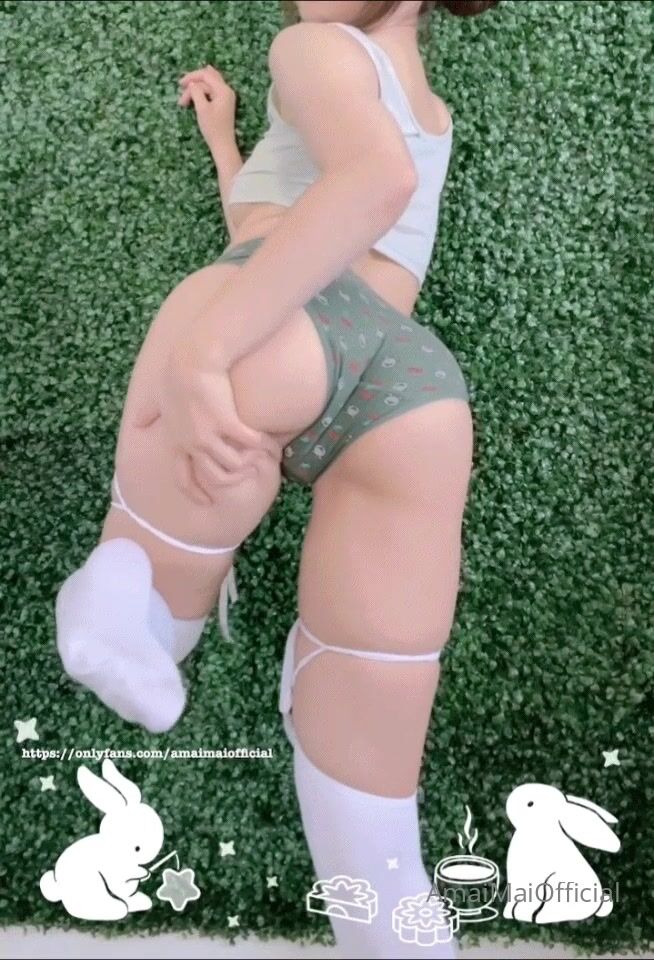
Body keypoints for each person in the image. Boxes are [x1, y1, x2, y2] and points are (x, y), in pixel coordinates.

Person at [55, 1, 498, 955]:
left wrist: (208, 345)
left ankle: (132, 612)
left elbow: (360, 188)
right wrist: (229, 143)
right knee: (371, 800)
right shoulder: (431, 110)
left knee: (158, 578)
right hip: (411, 386)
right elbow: (309, 206)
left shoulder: (312, 47)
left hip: (275, 329)